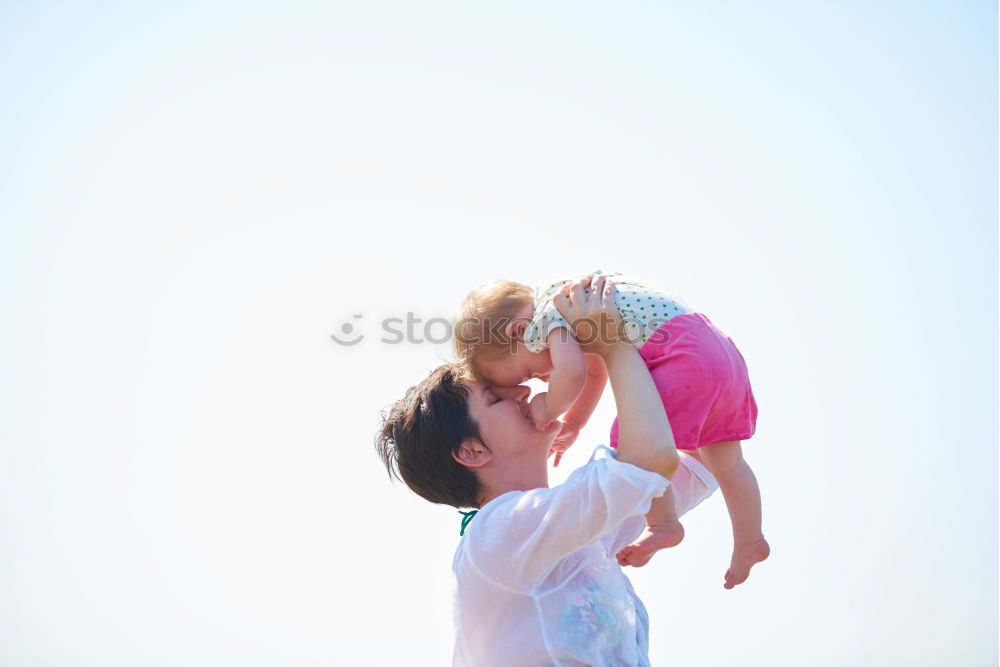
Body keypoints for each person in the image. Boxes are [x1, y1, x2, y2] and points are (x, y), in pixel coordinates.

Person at [377, 275, 718, 666]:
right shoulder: (499, 533)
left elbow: (702, 455)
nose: (524, 391)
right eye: (496, 398)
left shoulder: (573, 536)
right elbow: (651, 460)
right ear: (471, 450)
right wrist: (612, 344)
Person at [455, 271, 768, 586]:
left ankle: (663, 525)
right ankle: (750, 539)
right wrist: (575, 422)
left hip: (686, 359)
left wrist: (547, 407)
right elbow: (596, 370)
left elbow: (574, 373)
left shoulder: (548, 319)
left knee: (632, 440)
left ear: (519, 332)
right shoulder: (570, 303)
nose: (539, 380)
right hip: (718, 351)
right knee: (728, 462)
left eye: (528, 373)